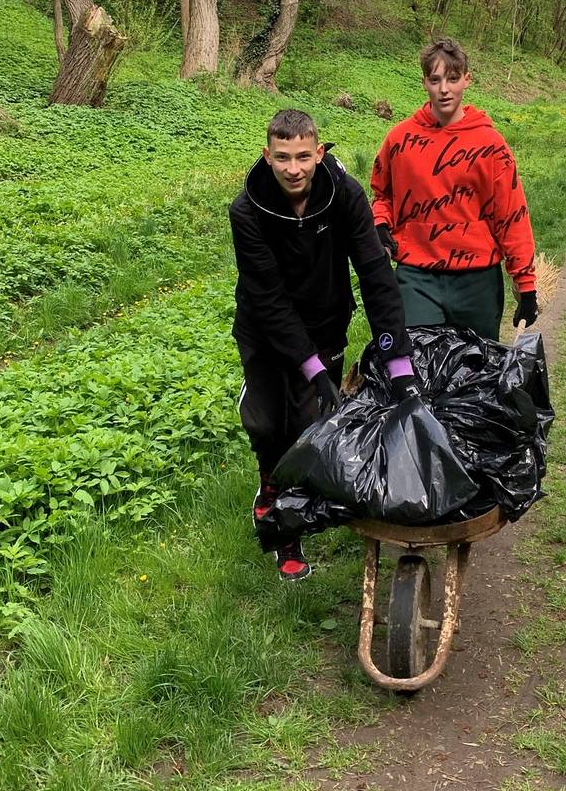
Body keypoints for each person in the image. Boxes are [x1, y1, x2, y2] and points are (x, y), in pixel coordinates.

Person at [230, 109, 419, 581]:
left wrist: (397, 360)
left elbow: (376, 276)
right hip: (265, 325)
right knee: (268, 422)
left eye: (302, 157)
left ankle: (288, 528)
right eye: (282, 158)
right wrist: (310, 367)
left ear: (319, 152)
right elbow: (268, 298)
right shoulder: (246, 210)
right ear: (266, 156)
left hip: (326, 321)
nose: (293, 168)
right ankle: (268, 488)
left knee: (307, 428)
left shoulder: (347, 196)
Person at [370, 38, 538, 341]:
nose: (444, 89)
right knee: (417, 368)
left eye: (452, 78)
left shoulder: (490, 145)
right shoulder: (399, 140)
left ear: (467, 80)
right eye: (435, 80)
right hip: (416, 274)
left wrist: (526, 285)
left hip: (477, 279)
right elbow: (383, 195)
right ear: (424, 82)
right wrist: (381, 224)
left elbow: (511, 214)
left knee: (476, 375)